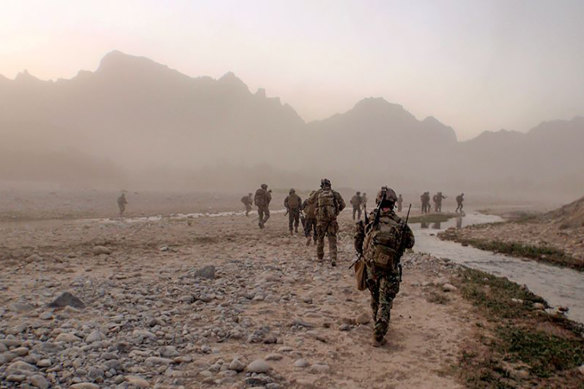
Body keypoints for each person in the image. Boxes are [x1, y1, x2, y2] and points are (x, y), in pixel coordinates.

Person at [354, 187, 414, 347]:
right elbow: (410, 243)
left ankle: (377, 324)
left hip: (371, 267)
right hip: (390, 267)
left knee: (375, 297)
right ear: (394, 203)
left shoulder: (370, 220)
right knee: (385, 301)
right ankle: (378, 335)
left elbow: (358, 242)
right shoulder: (400, 223)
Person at [307, 178, 346, 266]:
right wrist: (336, 212)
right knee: (332, 239)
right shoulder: (334, 193)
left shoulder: (318, 193)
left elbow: (309, 200)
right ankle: (333, 258)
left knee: (320, 239)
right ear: (330, 185)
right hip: (332, 220)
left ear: (322, 185)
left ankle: (320, 257)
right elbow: (343, 204)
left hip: (321, 221)